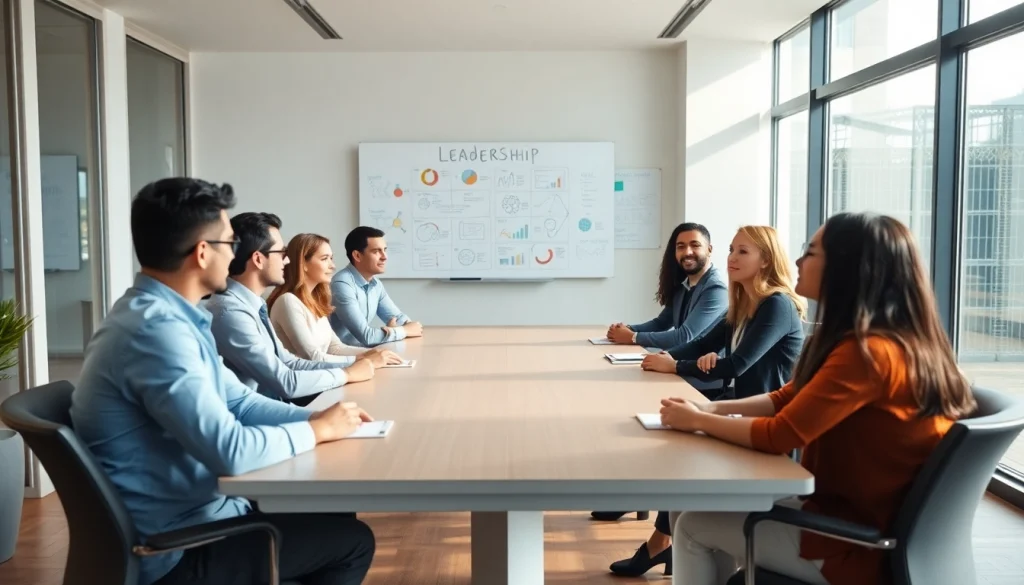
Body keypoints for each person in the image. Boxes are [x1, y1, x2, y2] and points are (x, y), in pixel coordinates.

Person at [70, 177, 377, 585]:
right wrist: (317, 431)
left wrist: (319, 419)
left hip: (204, 513)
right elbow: (230, 451)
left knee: (334, 510)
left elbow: (241, 403)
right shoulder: (155, 333)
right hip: (180, 547)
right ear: (202, 253)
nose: (236, 256)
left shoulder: (172, 316)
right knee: (353, 541)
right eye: (230, 243)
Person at [657, 212, 976, 585]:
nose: (797, 261)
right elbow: (787, 396)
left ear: (848, 267)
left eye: (811, 252)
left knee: (694, 526)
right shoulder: (887, 340)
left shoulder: (868, 352)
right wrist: (709, 408)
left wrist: (698, 421)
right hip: (850, 517)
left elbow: (781, 434)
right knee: (694, 507)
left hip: (849, 543)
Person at [609, 225, 806, 578]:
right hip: (739, 412)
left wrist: (675, 365)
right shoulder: (745, 303)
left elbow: (736, 363)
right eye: (731, 250)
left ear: (765, 260)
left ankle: (661, 544)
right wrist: (663, 360)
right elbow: (701, 346)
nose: (731, 258)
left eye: (742, 251)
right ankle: (662, 544)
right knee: (677, 457)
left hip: (767, 427)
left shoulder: (777, 305)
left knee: (681, 464)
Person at [206, 213, 381, 405]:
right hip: (253, 415)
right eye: (281, 253)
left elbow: (289, 362)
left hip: (267, 407)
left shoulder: (254, 305)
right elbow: (284, 382)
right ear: (258, 259)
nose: (287, 261)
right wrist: (347, 373)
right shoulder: (230, 312)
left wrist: (357, 364)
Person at [268, 232, 404, 365]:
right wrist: (366, 360)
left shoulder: (315, 301)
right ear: (303, 263)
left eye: (331, 258)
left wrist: (376, 353)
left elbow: (335, 348)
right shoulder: (288, 302)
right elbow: (312, 357)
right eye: (324, 259)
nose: (332, 266)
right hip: (305, 383)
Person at [606, 222, 727, 350]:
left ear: (709, 249)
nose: (687, 252)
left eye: (695, 245)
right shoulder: (684, 284)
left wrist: (633, 337)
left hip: (704, 367)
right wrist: (626, 329)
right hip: (679, 361)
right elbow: (661, 323)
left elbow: (684, 337)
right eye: (681, 247)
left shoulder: (716, 289)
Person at [330, 226, 423, 347]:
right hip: (345, 357)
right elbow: (367, 336)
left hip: (367, 352)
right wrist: (403, 331)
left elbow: (400, 319)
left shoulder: (376, 284)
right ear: (357, 256)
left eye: (385, 250)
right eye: (376, 251)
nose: (384, 257)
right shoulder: (342, 285)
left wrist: (407, 327)